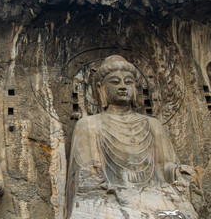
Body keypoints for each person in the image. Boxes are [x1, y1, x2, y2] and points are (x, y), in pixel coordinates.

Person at [66, 55, 199, 218]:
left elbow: (165, 167)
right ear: (101, 88)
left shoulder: (152, 124)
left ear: (136, 88)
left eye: (128, 82)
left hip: (155, 195)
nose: (122, 87)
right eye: (115, 82)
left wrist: (178, 171)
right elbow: (87, 173)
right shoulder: (89, 124)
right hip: (110, 197)